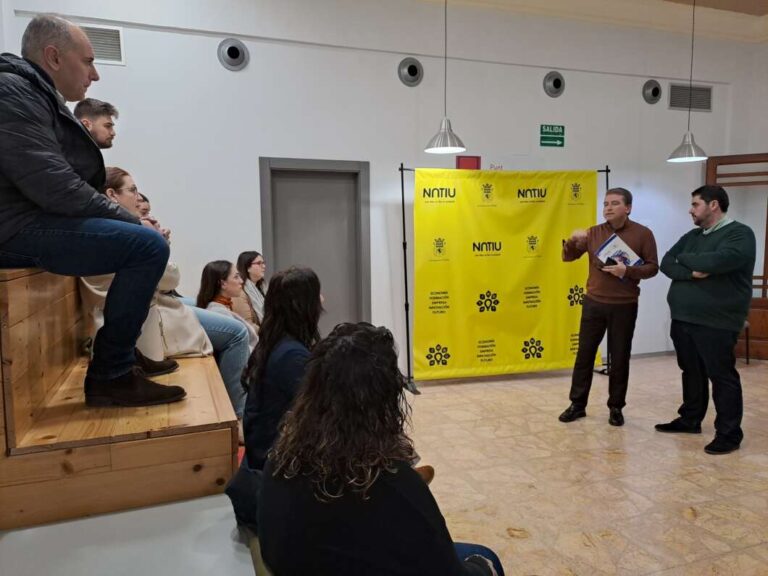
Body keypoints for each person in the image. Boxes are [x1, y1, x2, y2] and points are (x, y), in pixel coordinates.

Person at [0, 14, 184, 407]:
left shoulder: (30, 93)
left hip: (22, 220)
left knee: (142, 240)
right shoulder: (12, 91)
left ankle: (120, 360)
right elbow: (54, 185)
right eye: (87, 62)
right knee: (147, 246)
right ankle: (112, 374)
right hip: (13, 227)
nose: (95, 75)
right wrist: (133, 220)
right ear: (53, 57)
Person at [259, 322, 504, 576]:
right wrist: (481, 567)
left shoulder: (281, 456)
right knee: (485, 557)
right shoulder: (393, 484)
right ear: (386, 400)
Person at [656, 185, 755, 455]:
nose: (690, 210)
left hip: (717, 321)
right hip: (683, 318)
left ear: (713, 205)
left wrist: (685, 259)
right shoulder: (693, 236)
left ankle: (729, 433)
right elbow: (667, 262)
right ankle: (690, 419)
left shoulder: (740, 234)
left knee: (721, 376)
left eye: (695, 204)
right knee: (691, 371)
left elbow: (720, 261)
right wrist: (690, 271)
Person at [79, 167, 212, 369]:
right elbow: (169, 279)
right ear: (112, 195)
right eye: (132, 190)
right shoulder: (120, 232)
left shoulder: (104, 227)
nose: (138, 197)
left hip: (128, 321)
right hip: (135, 326)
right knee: (236, 334)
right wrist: (159, 244)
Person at [558, 187, 658, 426]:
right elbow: (567, 257)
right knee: (584, 355)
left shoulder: (643, 234)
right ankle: (577, 404)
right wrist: (572, 241)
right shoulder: (593, 233)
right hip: (594, 303)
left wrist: (627, 271)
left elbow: (653, 268)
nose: (608, 208)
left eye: (614, 203)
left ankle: (616, 407)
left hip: (624, 305)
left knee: (620, 357)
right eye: (605, 204)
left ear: (628, 208)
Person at [240, 266, 322, 470]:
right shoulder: (292, 356)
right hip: (275, 461)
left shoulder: (275, 341)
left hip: (264, 451)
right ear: (303, 305)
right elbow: (318, 415)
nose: (322, 300)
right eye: (317, 295)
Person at [233, 250, 267, 331]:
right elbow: (247, 325)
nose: (264, 266)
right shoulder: (240, 293)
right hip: (257, 335)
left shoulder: (263, 288)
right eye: (259, 263)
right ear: (247, 267)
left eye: (263, 263)